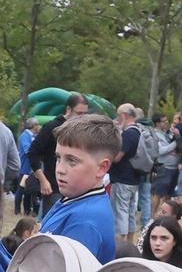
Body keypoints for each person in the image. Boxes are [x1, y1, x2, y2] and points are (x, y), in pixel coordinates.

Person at [37, 112, 120, 262]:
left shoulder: (85, 223)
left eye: (72, 161)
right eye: (58, 158)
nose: (60, 169)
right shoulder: (73, 199)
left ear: (102, 168)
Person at [107, 104, 144, 245]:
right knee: (130, 212)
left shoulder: (128, 134)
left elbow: (117, 157)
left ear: (124, 115)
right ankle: (130, 241)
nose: (117, 118)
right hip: (134, 178)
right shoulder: (139, 131)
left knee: (120, 211)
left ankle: (120, 241)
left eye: (118, 115)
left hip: (122, 178)